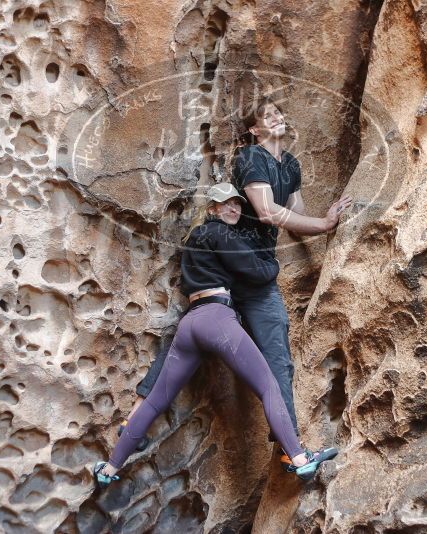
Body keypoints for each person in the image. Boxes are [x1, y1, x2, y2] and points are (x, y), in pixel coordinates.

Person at [120, 97, 353, 469]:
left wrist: (326, 222)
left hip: (259, 274)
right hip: (232, 267)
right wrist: (323, 225)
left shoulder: (290, 165)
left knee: (278, 357)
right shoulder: (251, 158)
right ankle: (134, 416)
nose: (278, 117)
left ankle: (290, 449)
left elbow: (296, 215)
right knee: (187, 339)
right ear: (254, 130)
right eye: (269, 115)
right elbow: (266, 212)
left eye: (280, 112)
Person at [93, 184, 338, 487]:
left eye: (236, 204)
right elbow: (259, 272)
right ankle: (300, 459)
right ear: (212, 209)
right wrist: (272, 262)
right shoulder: (221, 233)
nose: (233, 209)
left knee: (156, 402)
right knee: (269, 386)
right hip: (216, 319)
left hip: (190, 322)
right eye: (226, 204)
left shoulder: (194, 239)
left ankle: (109, 469)